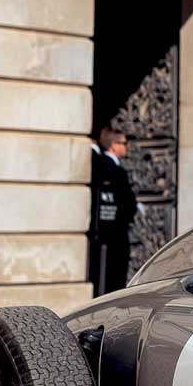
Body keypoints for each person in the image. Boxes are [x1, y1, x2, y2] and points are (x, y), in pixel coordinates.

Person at [87, 126, 137, 296]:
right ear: (114, 145)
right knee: (114, 281)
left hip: (102, 233)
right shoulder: (114, 170)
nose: (126, 147)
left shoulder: (97, 163)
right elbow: (128, 205)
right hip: (115, 235)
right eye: (123, 143)